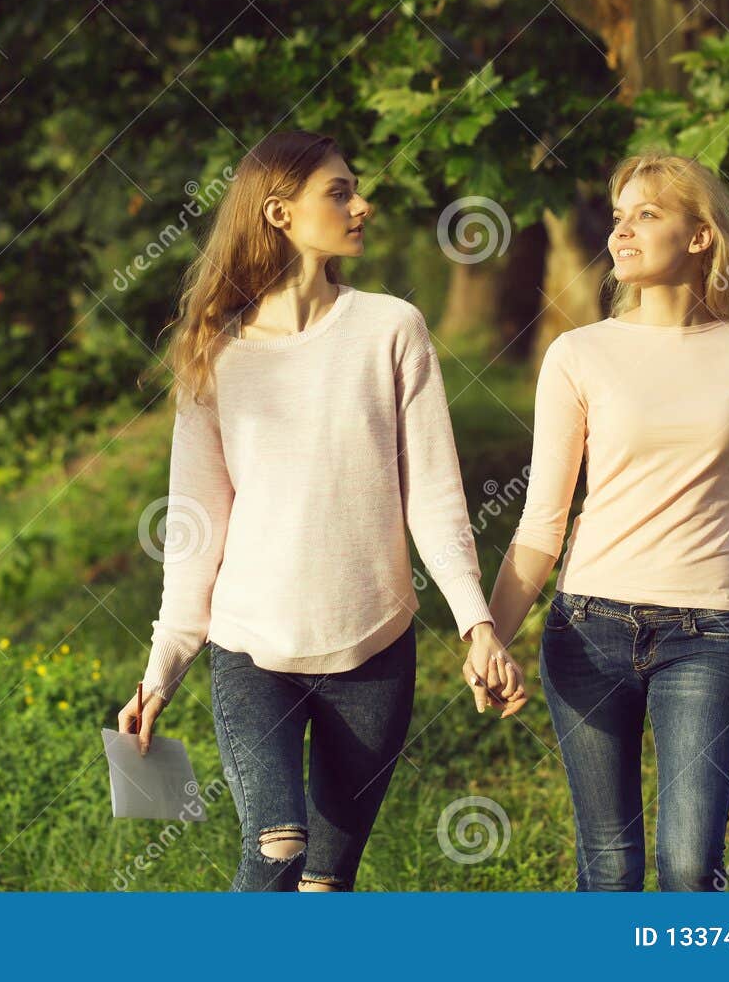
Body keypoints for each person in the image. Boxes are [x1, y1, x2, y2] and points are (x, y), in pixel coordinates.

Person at [117, 129, 526, 891]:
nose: (361, 204)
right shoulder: (218, 352)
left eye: (354, 188)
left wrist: (478, 626)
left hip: (374, 648)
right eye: (339, 191)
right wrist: (161, 669)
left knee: (327, 885)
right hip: (251, 650)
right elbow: (194, 530)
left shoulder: (390, 328)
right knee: (278, 847)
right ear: (278, 212)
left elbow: (434, 497)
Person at [478, 152, 729, 891]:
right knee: (608, 865)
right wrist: (489, 636)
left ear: (700, 236)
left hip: (711, 632)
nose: (623, 230)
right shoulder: (578, 353)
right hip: (587, 627)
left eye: (648, 214)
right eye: (620, 214)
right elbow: (543, 521)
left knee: (692, 866)